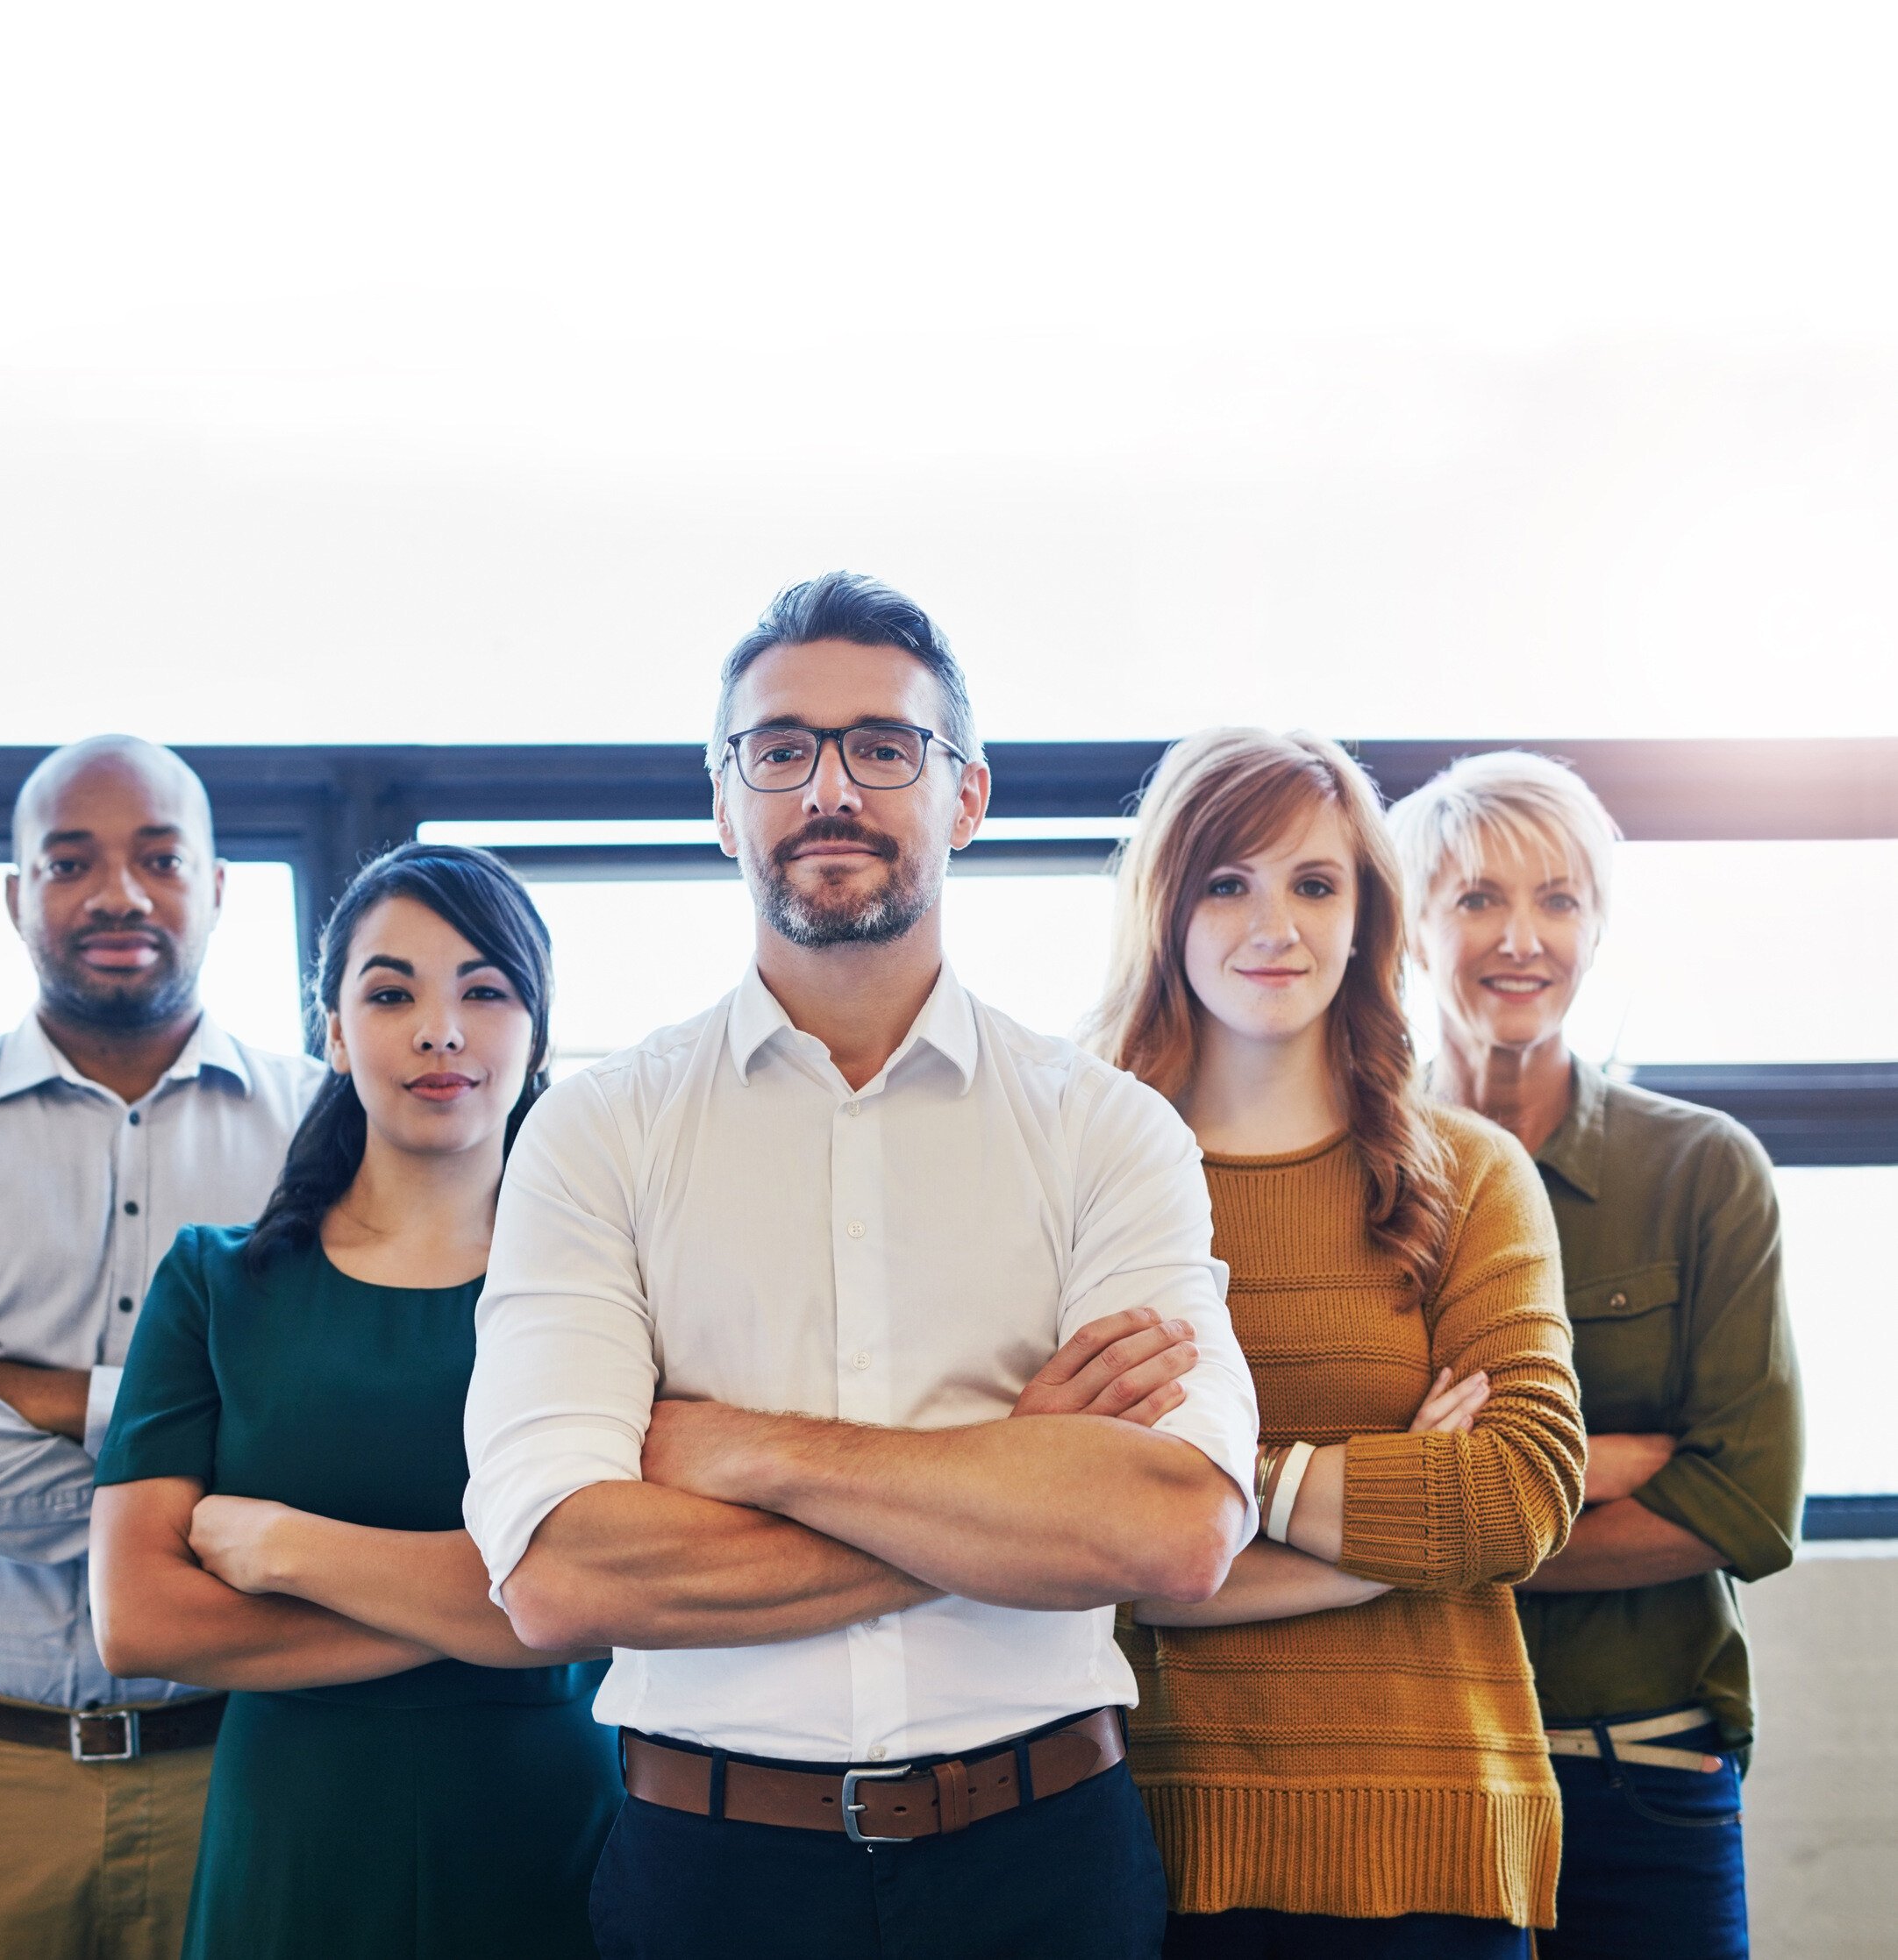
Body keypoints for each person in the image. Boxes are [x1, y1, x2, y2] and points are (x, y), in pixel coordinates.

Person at [453, 573, 1261, 1960]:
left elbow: (1172, 1529)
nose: (831, 786)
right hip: (710, 1877)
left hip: (1044, 1861)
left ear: (966, 796)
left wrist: (743, 1452)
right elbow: (558, 1575)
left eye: (885, 747)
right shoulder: (595, 1133)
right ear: (724, 801)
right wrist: (1015, 1471)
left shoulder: (1106, 1129)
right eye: (781, 750)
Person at [0, 734, 325, 1960]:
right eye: (71, 860)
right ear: (15, 894)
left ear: (216, 887)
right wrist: (204, 1496)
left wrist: (21, 1389)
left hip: (244, 1778)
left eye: (159, 858)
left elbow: (342, 1438)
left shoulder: (327, 1132)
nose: (120, 895)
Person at [1092, 727, 1588, 1956]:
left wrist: (1227, 1484)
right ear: (1167, 908)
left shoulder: (1471, 1174)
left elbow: (1521, 1491)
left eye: (1315, 883)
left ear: (1369, 913)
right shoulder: (1083, 1185)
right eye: (1228, 881)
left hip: (1441, 1837)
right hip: (1153, 1833)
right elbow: (1087, 1558)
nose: (1278, 925)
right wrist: (1386, 1542)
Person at [88, 844, 621, 1957]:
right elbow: (140, 1618)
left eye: (485, 989)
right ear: (330, 1028)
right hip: (295, 1836)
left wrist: (287, 1546)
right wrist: (495, 1614)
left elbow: (604, 1594)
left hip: (553, 1829)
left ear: (535, 1031)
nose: (441, 1029)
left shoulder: (612, 1291)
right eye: (392, 992)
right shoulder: (214, 1284)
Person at [1389, 752, 1803, 1960]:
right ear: (1411, 928)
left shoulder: (1705, 1173)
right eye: (1476, 899)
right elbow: (1302, 1466)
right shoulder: (1342, 1175)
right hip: (1417, 1771)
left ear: (1597, 928)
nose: (1522, 937)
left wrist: (1433, 1536)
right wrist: (1611, 1463)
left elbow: (1743, 1506)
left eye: (1558, 900)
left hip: (1645, 1771)